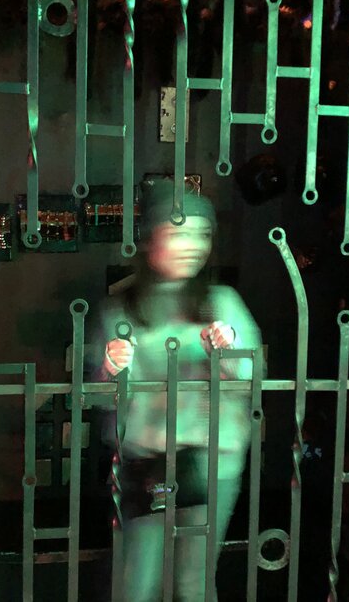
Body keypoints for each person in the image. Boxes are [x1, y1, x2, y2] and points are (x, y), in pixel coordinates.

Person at [90, 179, 262, 602]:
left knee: (194, 582)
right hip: (148, 465)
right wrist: (111, 368)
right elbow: (100, 399)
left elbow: (253, 380)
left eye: (202, 235)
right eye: (179, 232)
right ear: (151, 239)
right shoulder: (120, 308)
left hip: (212, 463)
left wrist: (227, 351)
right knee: (136, 582)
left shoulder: (223, 302)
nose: (193, 246)